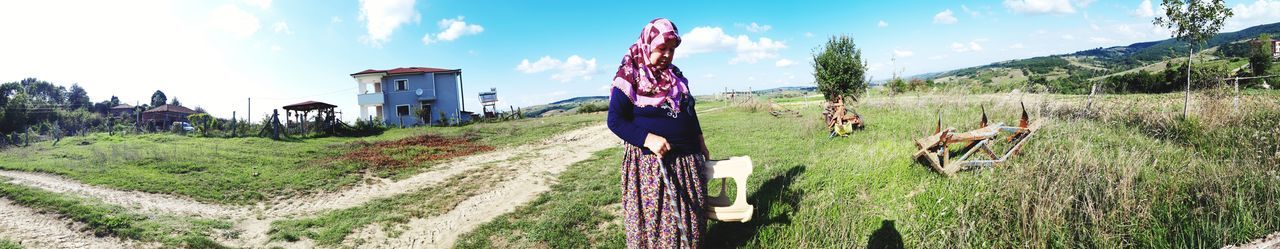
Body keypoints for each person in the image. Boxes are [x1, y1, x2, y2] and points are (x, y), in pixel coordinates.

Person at [607, 18, 710, 248]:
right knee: (658, 231)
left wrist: (701, 142)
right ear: (647, 45)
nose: (667, 54)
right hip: (652, 165)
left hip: (687, 163)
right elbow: (615, 121)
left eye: (672, 49)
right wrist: (648, 139)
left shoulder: (677, 77)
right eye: (661, 48)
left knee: (690, 226)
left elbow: (690, 112)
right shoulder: (630, 76)